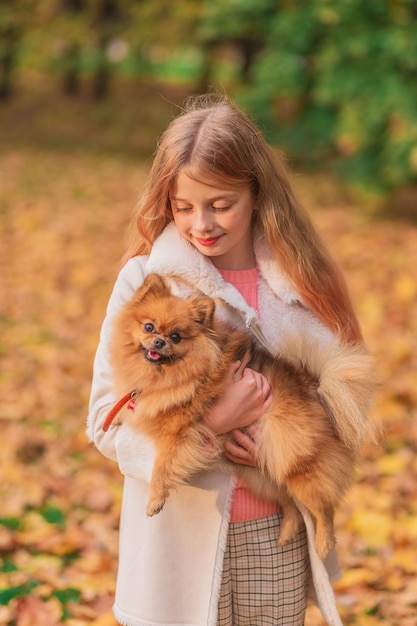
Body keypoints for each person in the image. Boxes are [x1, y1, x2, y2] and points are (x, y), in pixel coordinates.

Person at [87, 93, 376, 626]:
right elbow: (104, 421)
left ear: (258, 192)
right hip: (180, 534)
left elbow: (351, 399)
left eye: (222, 204)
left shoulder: (304, 280)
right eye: (184, 206)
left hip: (277, 528)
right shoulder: (146, 281)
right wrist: (212, 429)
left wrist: (282, 439)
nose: (202, 222)